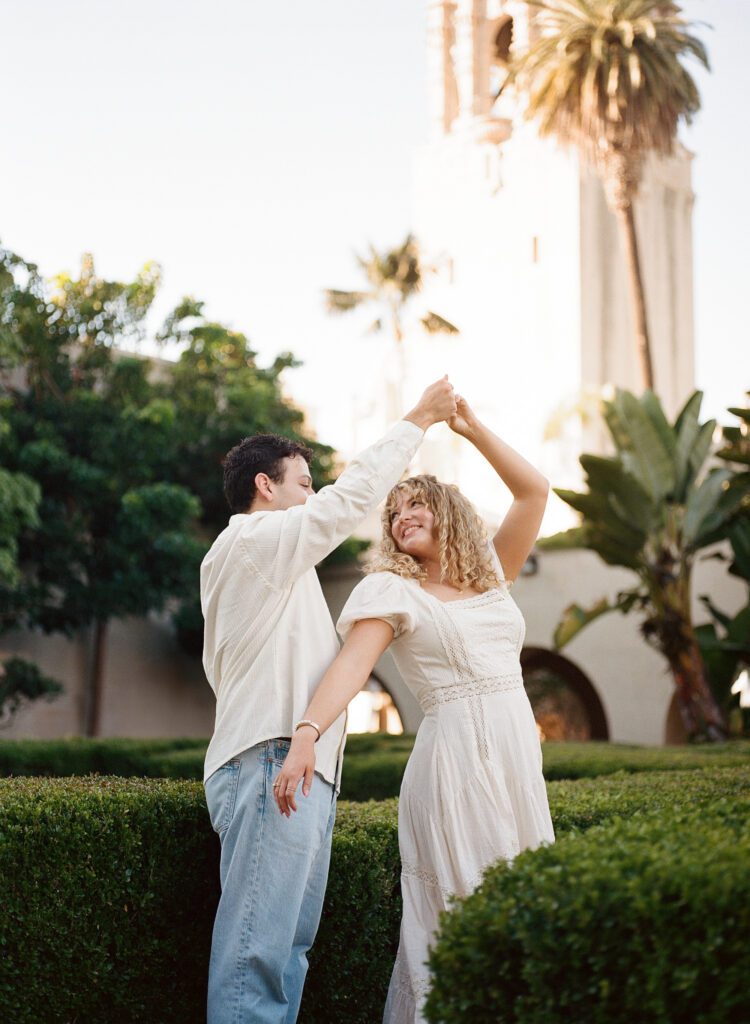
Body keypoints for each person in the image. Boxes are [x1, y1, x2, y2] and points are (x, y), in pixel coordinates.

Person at [273, 394, 556, 1024]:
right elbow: (350, 664)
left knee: (527, 915)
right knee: (462, 920)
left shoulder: (492, 578)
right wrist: (306, 733)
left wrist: (472, 426)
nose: (402, 518)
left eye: (417, 504)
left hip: (514, 762)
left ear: (448, 512)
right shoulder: (391, 590)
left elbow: (535, 492)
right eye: (394, 512)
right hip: (453, 767)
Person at [200, 377, 457, 1024]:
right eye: (303, 484)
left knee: (286, 957)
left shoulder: (270, 572)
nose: (313, 497)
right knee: (257, 961)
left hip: (292, 767)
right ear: (267, 487)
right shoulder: (252, 544)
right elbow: (349, 502)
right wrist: (418, 420)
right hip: (270, 762)